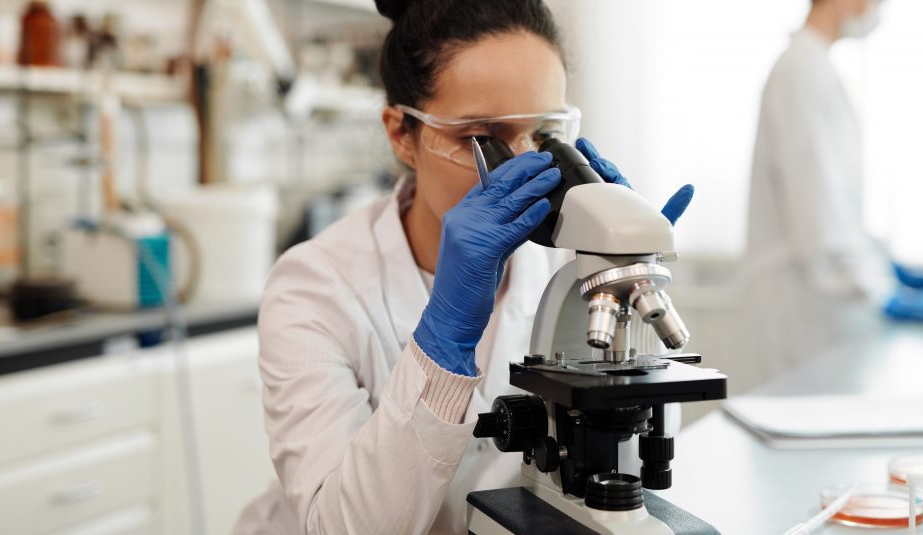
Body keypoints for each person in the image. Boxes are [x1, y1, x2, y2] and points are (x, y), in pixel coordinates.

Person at [233, 1, 693, 533]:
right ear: (401, 134)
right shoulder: (314, 287)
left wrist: (626, 262)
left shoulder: (572, 266)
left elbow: (633, 476)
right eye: (483, 139)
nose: (525, 166)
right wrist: (444, 339)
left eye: (543, 134)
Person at [744, 0, 923, 371]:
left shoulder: (815, 67)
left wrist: (882, 263)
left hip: (818, 302)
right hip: (800, 306)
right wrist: (878, 290)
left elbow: (837, 207)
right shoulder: (801, 71)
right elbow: (815, 212)